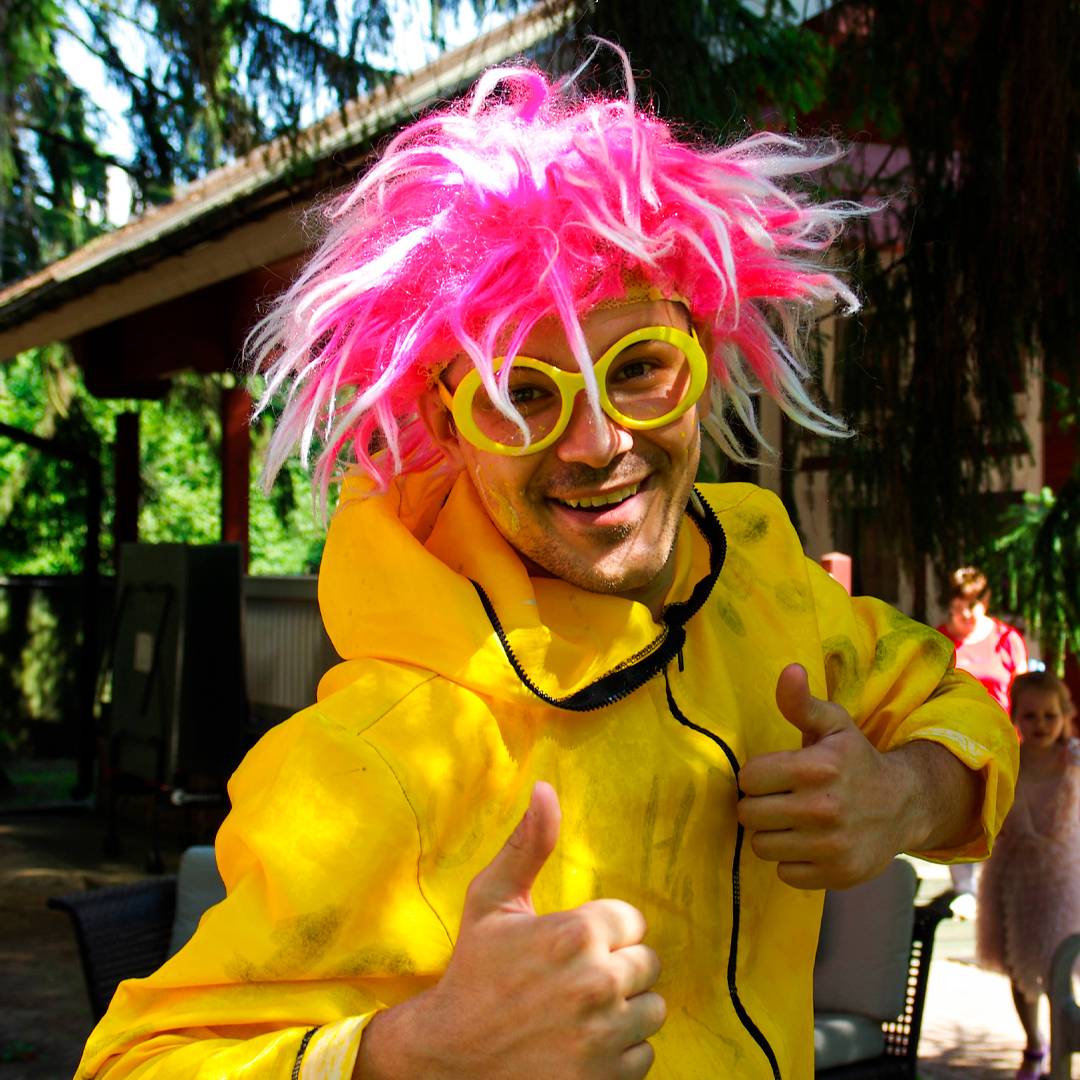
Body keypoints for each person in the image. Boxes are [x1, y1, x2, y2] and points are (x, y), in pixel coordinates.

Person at [77, 51, 1018, 1079]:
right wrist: (411, 1057)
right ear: (449, 425)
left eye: (640, 368)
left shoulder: (759, 578)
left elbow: (957, 706)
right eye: (521, 394)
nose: (598, 443)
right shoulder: (377, 755)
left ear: (703, 362)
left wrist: (905, 795)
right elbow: (133, 1064)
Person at [976, 671, 1080, 1080]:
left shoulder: (1073, 760)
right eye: (1030, 716)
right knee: (1019, 966)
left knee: (1060, 963)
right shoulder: (1008, 760)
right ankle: (1035, 1042)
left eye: (1049, 716)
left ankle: (1062, 1047)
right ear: (1016, 717)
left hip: (1064, 880)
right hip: (1014, 877)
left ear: (1065, 715)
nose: (1040, 725)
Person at [937, 566, 1029, 908]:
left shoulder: (1008, 640)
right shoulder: (940, 640)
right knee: (963, 812)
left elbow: (1024, 692)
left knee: (1004, 816)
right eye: (960, 605)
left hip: (1003, 743)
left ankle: (1001, 887)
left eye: (973, 605)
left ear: (986, 601)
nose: (966, 613)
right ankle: (964, 890)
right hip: (957, 742)